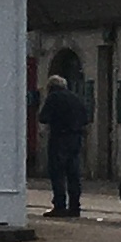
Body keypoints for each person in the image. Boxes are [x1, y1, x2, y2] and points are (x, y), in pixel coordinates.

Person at [40, 66, 91, 218]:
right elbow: (85, 119)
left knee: (57, 173)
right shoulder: (75, 98)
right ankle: (75, 206)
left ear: (51, 87)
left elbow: (43, 117)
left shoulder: (53, 97)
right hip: (75, 139)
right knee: (73, 174)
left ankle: (60, 206)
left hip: (59, 138)